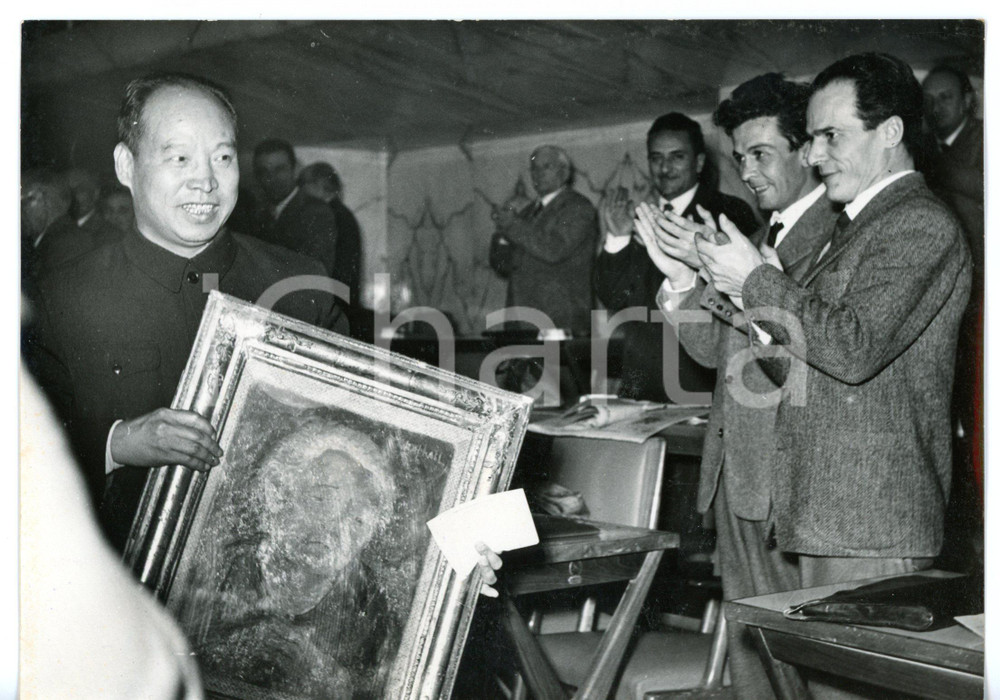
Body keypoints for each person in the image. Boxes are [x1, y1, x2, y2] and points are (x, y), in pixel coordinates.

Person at [26, 72, 345, 551]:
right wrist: (118, 443)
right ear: (126, 165)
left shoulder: (302, 288)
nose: (206, 181)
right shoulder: (58, 301)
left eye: (223, 157)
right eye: (179, 158)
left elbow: (358, 435)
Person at [694, 53, 970, 599]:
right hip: (829, 512)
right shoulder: (858, 225)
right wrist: (748, 291)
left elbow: (851, 348)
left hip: (868, 518)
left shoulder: (918, 222)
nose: (816, 155)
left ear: (890, 132)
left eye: (830, 137)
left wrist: (756, 282)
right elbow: (802, 368)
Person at [636, 73, 838, 699]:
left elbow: (817, 360)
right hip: (738, 478)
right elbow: (721, 352)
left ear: (807, 151)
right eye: (740, 157)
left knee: (801, 669)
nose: (747, 172)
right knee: (755, 668)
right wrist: (680, 281)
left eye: (761, 154)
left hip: (787, 483)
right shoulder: (762, 237)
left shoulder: (836, 235)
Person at [593, 112, 758, 402]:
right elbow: (615, 301)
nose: (665, 168)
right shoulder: (641, 216)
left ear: (699, 163)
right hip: (643, 388)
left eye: (677, 157)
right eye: (656, 158)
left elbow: (744, 304)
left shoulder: (728, 213)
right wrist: (617, 239)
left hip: (701, 387)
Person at [489, 145, 598, 336]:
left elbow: (554, 250)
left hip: (559, 320)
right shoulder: (526, 213)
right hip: (521, 322)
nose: (537, 174)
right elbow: (503, 266)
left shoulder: (577, 207)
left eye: (546, 167)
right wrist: (503, 236)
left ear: (564, 172)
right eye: (533, 168)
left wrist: (512, 225)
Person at [253, 138, 341, 284]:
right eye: (264, 172)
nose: (271, 178)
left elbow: (314, 275)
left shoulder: (316, 212)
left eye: (279, 169)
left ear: (295, 170)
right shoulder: (260, 215)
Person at [298, 161, 365, 333]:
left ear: (318, 185)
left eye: (303, 184)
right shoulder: (342, 213)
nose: (301, 191)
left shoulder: (328, 215)